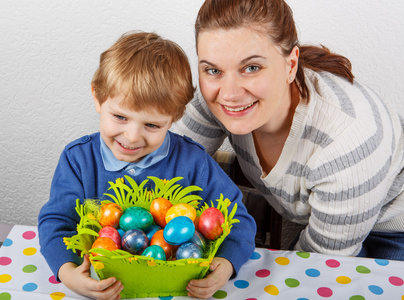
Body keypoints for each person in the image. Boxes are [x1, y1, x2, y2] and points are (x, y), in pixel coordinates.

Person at [171, 0, 404, 261]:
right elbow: (166, 169)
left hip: (394, 230)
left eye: (251, 68)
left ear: (291, 65)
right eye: (213, 70)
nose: (229, 93)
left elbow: (319, 266)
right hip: (321, 221)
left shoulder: (347, 140)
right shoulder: (214, 99)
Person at [38, 31, 256, 300]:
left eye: (152, 125)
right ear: (97, 97)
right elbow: (56, 222)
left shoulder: (193, 161)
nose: (131, 137)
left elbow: (240, 222)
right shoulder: (78, 159)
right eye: (120, 117)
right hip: (104, 288)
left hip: (181, 290)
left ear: (175, 117)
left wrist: (226, 264)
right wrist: (68, 272)